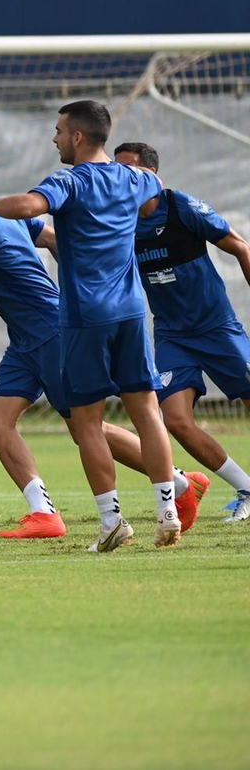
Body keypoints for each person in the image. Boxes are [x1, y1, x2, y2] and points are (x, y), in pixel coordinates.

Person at [0, 140, 176, 537]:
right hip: (25, 341)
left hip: (51, 332)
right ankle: (44, 513)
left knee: (86, 426)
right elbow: (49, 236)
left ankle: (181, 483)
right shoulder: (2, 212)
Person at [108, 141, 250, 523]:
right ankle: (247, 488)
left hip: (217, 326)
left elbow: (241, 247)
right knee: (175, 420)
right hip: (171, 335)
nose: (118, 178)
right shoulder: (119, 223)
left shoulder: (182, 207)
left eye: (127, 170)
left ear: (150, 176)